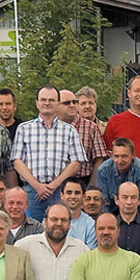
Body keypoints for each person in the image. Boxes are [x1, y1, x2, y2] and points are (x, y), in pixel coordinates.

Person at [14, 85, 88, 221]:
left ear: (58, 104)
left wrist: (53, 186)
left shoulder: (69, 130)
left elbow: (77, 163)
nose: (47, 103)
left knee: (59, 229)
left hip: (59, 191)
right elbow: (17, 162)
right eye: (43, 100)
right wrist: (38, 186)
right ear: (37, 103)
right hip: (32, 192)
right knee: (31, 230)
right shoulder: (24, 129)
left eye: (51, 100)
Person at [65, 87, 111, 180]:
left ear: (96, 105)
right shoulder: (67, 127)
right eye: (83, 103)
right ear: (77, 106)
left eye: (91, 103)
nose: (87, 106)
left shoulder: (107, 128)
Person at [97, 137, 140, 209]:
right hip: (112, 213)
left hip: (136, 212)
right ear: (111, 155)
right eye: (116, 156)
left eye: (124, 156)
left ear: (133, 155)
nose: (120, 161)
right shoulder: (103, 170)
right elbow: (104, 204)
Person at [61, 176, 98, 246]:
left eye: (77, 193)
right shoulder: (51, 220)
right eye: (69, 192)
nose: (73, 196)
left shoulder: (91, 224)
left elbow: (89, 253)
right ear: (62, 195)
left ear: (84, 196)